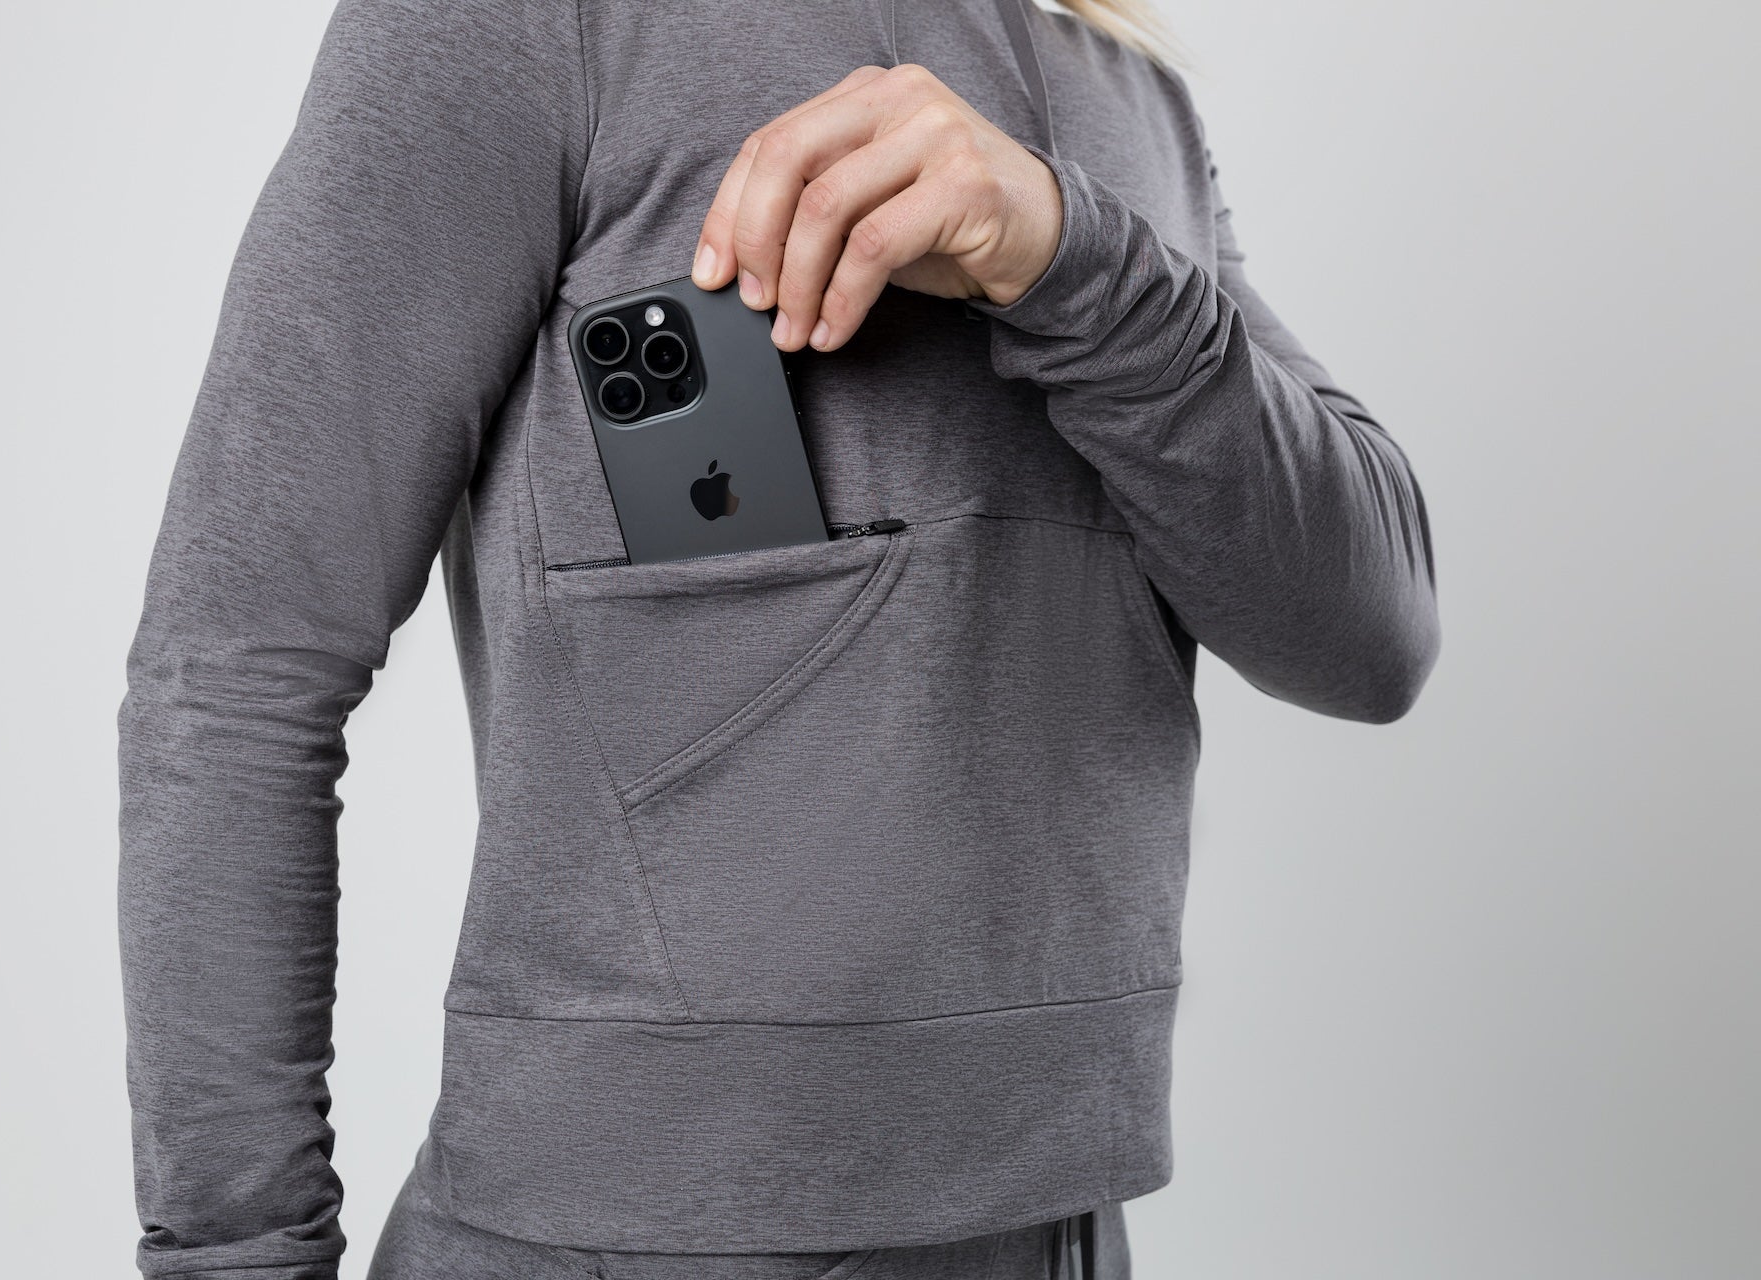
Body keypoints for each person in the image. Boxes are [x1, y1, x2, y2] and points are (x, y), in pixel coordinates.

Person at [116, 0, 1441, 1277]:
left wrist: (1069, 257)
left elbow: (1374, 636)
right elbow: (233, 676)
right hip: (644, 1239)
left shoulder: (1127, 91)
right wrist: (237, 1259)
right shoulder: (518, 23)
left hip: (1068, 1214)